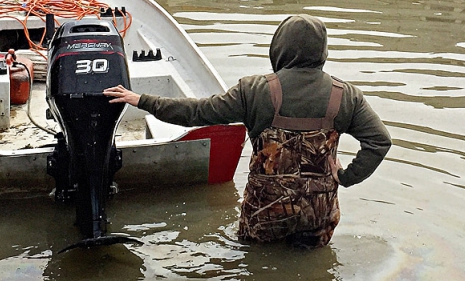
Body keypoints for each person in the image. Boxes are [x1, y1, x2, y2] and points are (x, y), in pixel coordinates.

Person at [103, 14, 391, 248]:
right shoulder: (347, 96)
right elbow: (379, 141)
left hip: (266, 214)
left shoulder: (254, 91)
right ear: (323, 51)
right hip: (318, 216)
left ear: (279, 48)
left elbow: (197, 112)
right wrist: (347, 176)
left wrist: (143, 100)